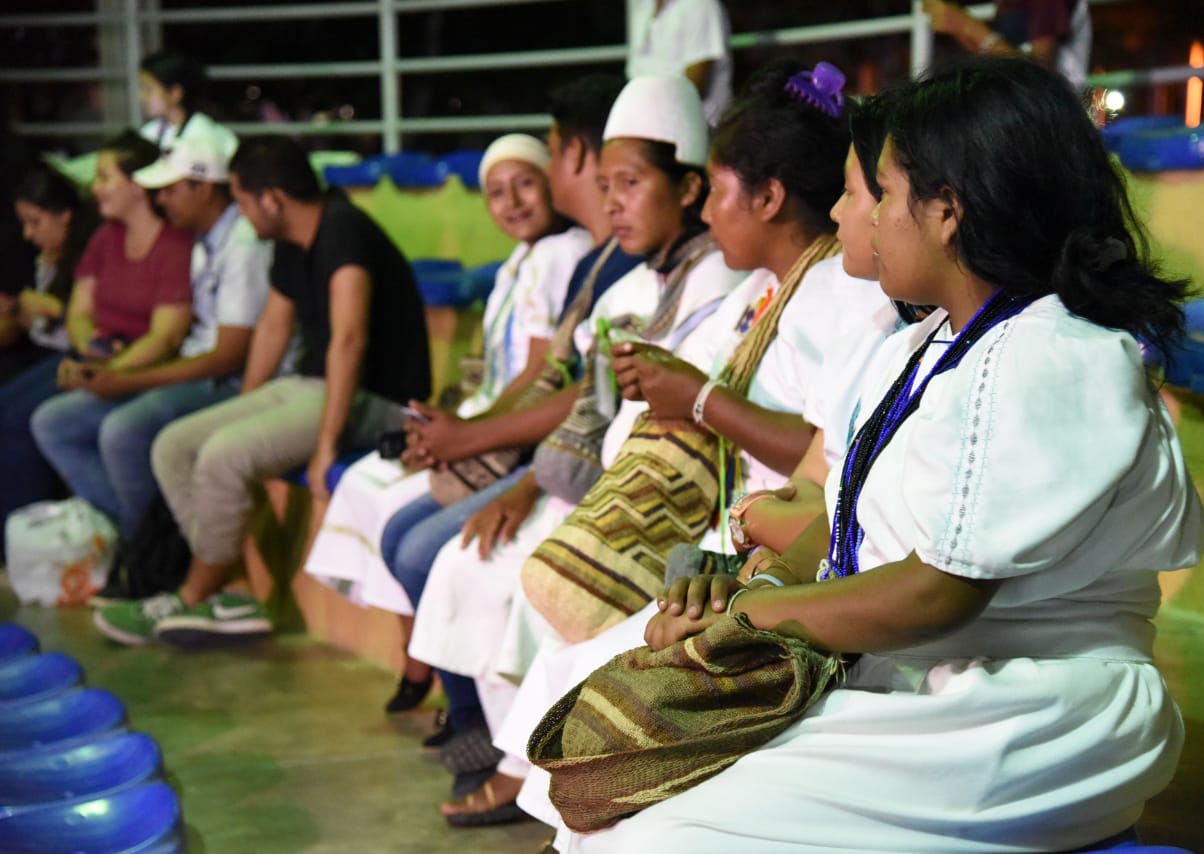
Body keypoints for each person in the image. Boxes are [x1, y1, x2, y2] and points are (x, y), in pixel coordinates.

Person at [568, 57, 1204, 853]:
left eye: (882, 192)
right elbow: (845, 517)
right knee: (625, 795)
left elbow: (935, 596)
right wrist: (759, 580)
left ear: (949, 209)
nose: (855, 216)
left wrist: (750, 615)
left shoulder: (1051, 355)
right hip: (925, 676)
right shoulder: (930, 340)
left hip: (1032, 709)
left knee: (653, 836)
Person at [412, 65, 895, 827]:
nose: (841, 213)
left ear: (766, 198)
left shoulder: (842, 292)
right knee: (565, 642)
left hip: (770, 542)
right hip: (739, 529)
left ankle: (547, 788)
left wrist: (699, 399)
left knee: (598, 664)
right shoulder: (770, 287)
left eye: (861, 196)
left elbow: (829, 454)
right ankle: (538, 781)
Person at [346, 74, 643, 730]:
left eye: (545, 155)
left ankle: (487, 734)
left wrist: (476, 440)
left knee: (425, 548)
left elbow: (578, 392)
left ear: (571, 159)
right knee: (402, 533)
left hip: (584, 468)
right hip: (552, 454)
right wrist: (467, 430)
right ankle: (467, 716)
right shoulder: (595, 258)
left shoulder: (609, 259)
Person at [93, 135, 430, 647]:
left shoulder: (342, 230)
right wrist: (242, 408)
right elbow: (274, 326)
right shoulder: (290, 239)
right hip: (309, 384)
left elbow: (349, 339)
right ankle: (231, 591)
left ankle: (192, 593)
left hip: (377, 398)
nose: (242, 212)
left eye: (243, 200)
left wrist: (325, 447)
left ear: (271, 198)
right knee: (174, 446)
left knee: (224, 457)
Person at [303, 132, 593, 712]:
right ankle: (417, 661)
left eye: (525, 186)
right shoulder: (519, 262)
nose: (511, 203)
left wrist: (466, 434)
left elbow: (539, 374)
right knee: (365, 483)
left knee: (397, 517)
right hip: (491, 420)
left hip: (521, 436)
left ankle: (433, 680)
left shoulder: (563, 254)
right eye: (496, 193)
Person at [31, 134, 272, 545]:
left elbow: (227, 357)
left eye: (172, 190)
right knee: (55, 422)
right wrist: (107, 368)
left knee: (122, 431)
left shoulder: (242, 246)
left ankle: (154, 555)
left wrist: (125, 379)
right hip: (193, 369)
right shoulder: (203, 238)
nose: (162, 200)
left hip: (230, 381)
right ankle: (136, 543)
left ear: (204, 188)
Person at [1, 132, 193, 551]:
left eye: (105, 177)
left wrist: (108, 370)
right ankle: (35, 540)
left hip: (142, 363)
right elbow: (79, 313)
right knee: (10, 408)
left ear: (138, 185)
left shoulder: (174, 244)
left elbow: (166, 336)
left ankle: (141, 544)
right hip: (96, 354)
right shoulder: (107, 237)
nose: (95, 187)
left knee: (41, 422)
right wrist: (89, 350)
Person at [0, 165, 100, 556]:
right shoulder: (46, 258)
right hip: (45, 350)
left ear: (65, 215)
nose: (30, 234)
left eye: (35, 222)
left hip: (81, 353)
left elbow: (87, 324)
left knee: (16, 417)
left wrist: (55, 310)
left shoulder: (94, 250)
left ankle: (19, 538)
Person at [923, 0, 1092, 89]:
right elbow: (994, 57)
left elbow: (1039, 76)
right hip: (1022, 108)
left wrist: (967, 27)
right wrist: (960, 27)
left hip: (1051, 116)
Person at [626, 0, 733, 124]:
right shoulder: (639, 4)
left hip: (700, 128)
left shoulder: (700, 4)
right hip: (650, 122)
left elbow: (695, 87)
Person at [137, 50, 238, 154]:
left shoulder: (207, 134)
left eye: (148, 89)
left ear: (175, 93)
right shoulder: (148, 133)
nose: (141, 96)